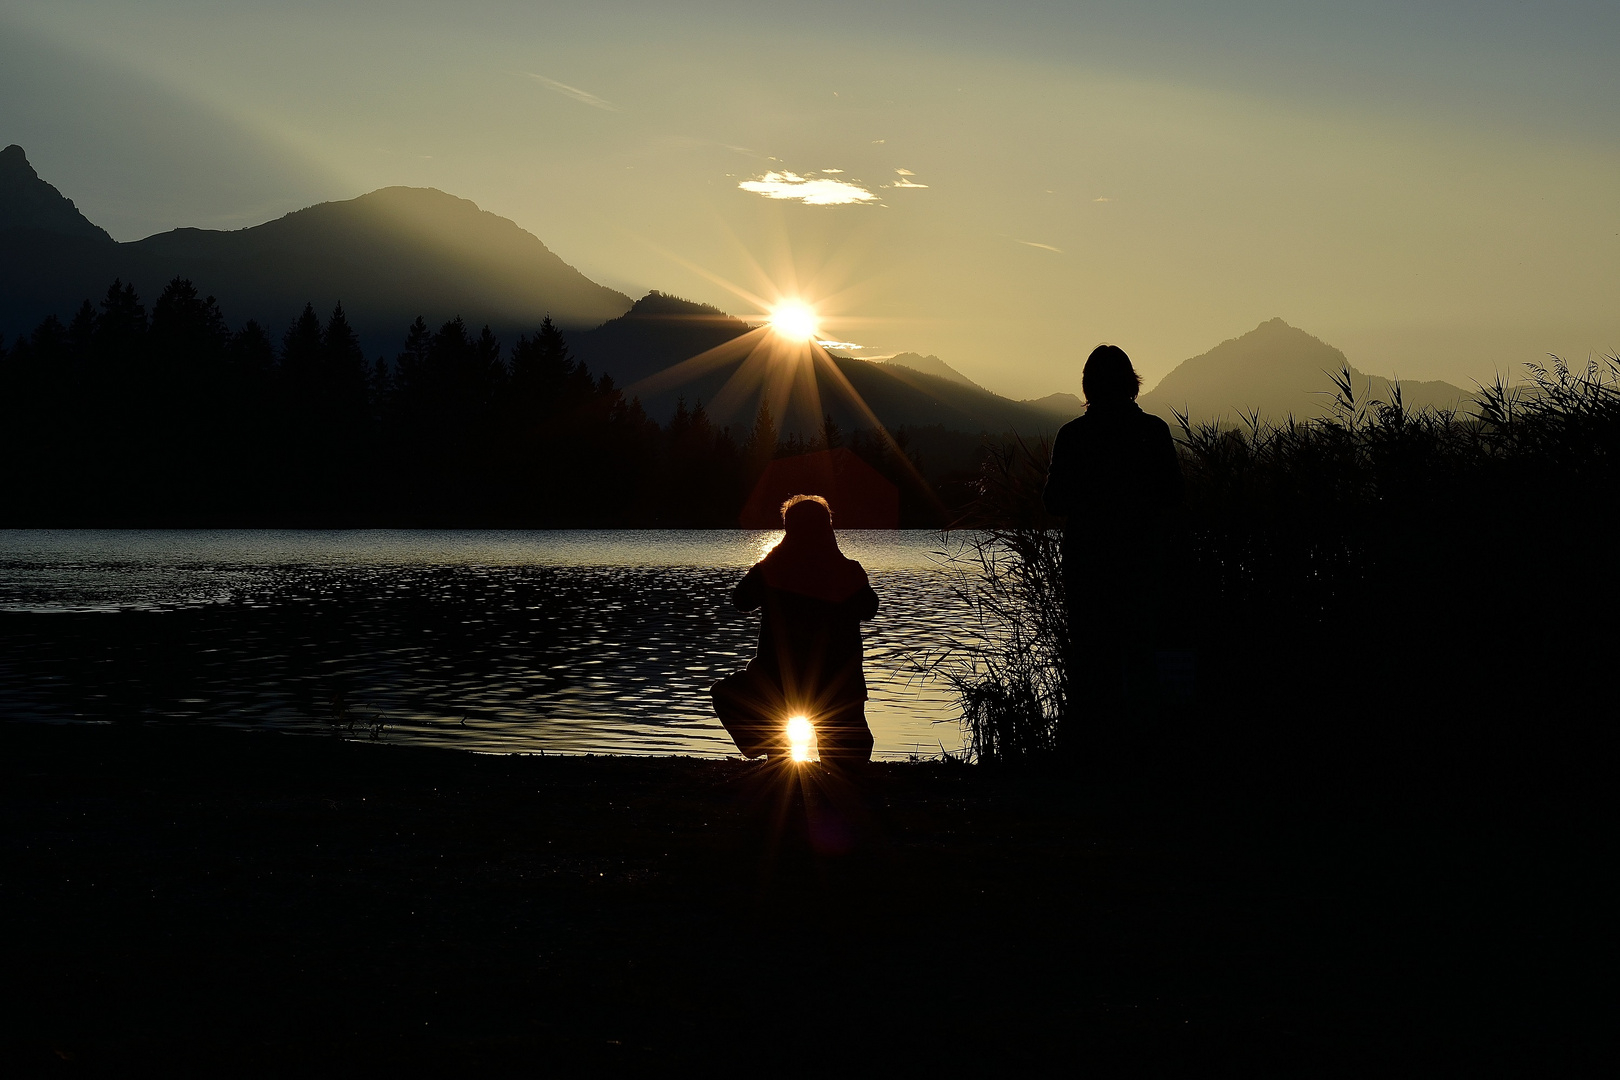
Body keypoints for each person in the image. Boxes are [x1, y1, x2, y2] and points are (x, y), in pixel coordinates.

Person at [1043, 344, 1182, 716]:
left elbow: (1053, 502)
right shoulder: (1154, 432)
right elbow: (1174, 498)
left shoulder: (1072, 436)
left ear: (1088, 387)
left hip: (1087, 569)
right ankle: (1141, 754)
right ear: (1131, 384)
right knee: (1140, 660)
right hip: (1143, 567)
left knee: (1091, 664)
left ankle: (1091, 752)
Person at [711, 495, 880, 764]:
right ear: (828, 529)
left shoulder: (772, 570)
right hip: (840, 687)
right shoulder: (848, 571)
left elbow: (741, 600)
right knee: (847, 764)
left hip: (780, 683)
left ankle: (775, 753)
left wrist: (772, 558)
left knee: (726, 694)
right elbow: (870, 609)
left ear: (790, 530)